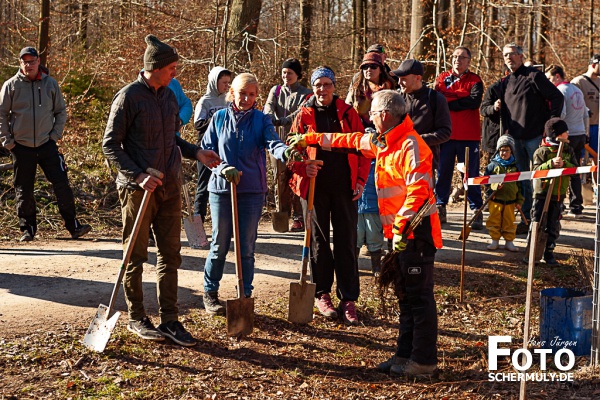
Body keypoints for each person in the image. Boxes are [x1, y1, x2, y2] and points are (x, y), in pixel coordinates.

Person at [288, 89, 442, 378]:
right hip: (400, 233)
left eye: (372, 113)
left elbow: (419, 192)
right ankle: (404, 355)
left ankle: (423, 360)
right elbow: (348, 140)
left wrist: (401, 228)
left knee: (419, 298)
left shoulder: (412, 146)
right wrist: (310, 138)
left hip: (415, 232)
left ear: (384, 115)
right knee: (405, 297)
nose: (368, 117)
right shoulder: (384, 141)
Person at [102, 34, 221, 347]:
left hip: (169, 187)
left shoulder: (169, 96)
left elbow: (173, 140)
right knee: (135, 256)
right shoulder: (128, 97)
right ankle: (136, 316)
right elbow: (110, 145)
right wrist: (139, 175)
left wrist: (197, 153)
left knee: (170, 255)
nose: (175, 73)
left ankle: (170, 320)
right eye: (172, 68)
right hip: (138, 191)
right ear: (154, 67)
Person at [200, 73, 300, 316]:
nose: (246, 98)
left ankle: (245, 293)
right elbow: (206, 150)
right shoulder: (219, 118)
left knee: (246, 246)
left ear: (257, 96)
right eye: (242, 93)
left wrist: (286, 152)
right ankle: (210, 292)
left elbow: (272, 142)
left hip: (251, 191)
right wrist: (222, 168)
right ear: (232, 94)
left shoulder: (261, 120)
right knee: (219, 244)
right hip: (222, 190)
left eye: (252, 94)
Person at [289, 66, 370, 326]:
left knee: (346, 242)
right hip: (314, 188)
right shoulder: (303, 114)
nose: (322, 90)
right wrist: (304, 166)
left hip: (345, 187)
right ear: (312, 87)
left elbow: (363, 149)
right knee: (319, 244)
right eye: (318, 85)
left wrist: (360, 181)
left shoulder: (348, 113)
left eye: (326, 84)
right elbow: (291, 151)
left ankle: (348, 298)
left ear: (334, 86)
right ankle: (322, 293)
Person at [0, 46, 92, 242]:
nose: (28, 65)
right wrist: (7, 141)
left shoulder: (50, 84)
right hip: (21, 146)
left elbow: (61, 111)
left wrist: (55, 136)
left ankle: (73, 227)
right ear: (20, 63)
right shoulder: (11, 86)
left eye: (32, 61)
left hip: (46, 144)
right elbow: (1, 114)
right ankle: (28, 230)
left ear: (38, 62)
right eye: (25, 61)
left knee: (62, 185)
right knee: (23, 189)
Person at [499, 43, 564, 234]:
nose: (508, 58)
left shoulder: (534, 75)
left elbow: (557, 97)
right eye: (505, 55)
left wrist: (550, 126)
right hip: (515, 139)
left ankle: (545, 219)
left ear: (521, 56)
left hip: (535, 136)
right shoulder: (506, 81)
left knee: (540, 179)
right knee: (522, 180)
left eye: (512, 54)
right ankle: (527, 219)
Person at [393, 59, 452, 221]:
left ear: (417, 78)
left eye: (404, 78)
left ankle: (421, 244)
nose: (399, 82)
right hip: (397, 164)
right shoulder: (396, 98)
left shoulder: (436, 99)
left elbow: (445, 132)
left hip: (424, 164)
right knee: (398, 209)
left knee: (421, 212)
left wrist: (415, 141)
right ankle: (398, 244)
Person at [434, 46, 484, 230]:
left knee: (470, 175)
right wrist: (458, 98)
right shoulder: (442, 78)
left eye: (462, 57)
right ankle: (440, 206)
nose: (457, 60)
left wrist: (450, 99)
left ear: (469, 61)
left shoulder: (475, 80)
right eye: (455, 56)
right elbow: (438, 99)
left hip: (468, 136)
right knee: (443, 173)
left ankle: (476, 209)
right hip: (445, 135)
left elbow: (474, 101)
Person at [263, 59, 311, 232]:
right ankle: (282, 214)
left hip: (297, 143)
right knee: (280, 179)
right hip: (276, 142)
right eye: (284, 72)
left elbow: (300, 113)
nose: (286, 76)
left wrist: (283, 120)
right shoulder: (275, 91)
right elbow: (268, 107)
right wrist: (268, 117)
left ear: (297, 75)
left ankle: (299, 217)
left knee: (297, 178)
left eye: (289, 73)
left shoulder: (306, 94)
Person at [148, 77, 193, 247]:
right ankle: (147, 231)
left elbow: (186, 104)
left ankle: (165, 235)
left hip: (173, 145)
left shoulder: (173, 84)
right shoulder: (138, 90)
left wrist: (179, 121)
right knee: (152, 191)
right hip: (149, 150)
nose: (174, 71)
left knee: (170, 189)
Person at [530, 118, 578, 265]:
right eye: (565, 132)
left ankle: (549, 252)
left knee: (553, 224)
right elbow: (536, 171)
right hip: (542, 194)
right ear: (557, 135)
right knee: (537, 222)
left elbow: (575, 170)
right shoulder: (542, 151)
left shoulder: (568, 151)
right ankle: (532, 251)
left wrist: (565, 165)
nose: (568, 133)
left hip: (558, 195)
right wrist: (550, 164)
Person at [545, 64, 588, 218]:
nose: (548, 82)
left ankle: (560, 203)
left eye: (549, 78)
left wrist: (552, 131)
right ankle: (577, 205)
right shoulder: (577, 89)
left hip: (566, 135)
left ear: (557, 76)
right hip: (580, 133)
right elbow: (585, 114)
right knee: (575, 169)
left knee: (562, 169)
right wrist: (586, 132)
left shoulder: (560, 91)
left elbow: (560, 115)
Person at [192, 67, 232, 221]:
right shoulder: (205, 101)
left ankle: (222, 221)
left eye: (228, 83)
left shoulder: (229, 100)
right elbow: (198, 124)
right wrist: (217, 117)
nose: (226, 86)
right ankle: (198, 221)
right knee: (203, 186)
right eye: (223, 83)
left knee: (224, 186)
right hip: (206, 149)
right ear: (215, 82)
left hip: (224, 149)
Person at [484, 135, 523, 252]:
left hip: (511, 201)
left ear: (511, 151)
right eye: (501, 150)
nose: (503, 153)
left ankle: (509, 241)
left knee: (509, 222)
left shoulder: (516, 167)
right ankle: (494, 240)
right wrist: (495, 186)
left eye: (506, 150)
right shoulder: (492, 166)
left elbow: (520, 186)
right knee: (494, 220)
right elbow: (486, 183)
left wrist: (519, 200)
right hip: (495, 200)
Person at [346, 52, 396, 126]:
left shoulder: (390, 88)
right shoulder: (356, 89)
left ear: (381, 70)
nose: (369, 69)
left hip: (386, 128)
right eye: (365, 67)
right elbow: (347, 110)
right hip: (360, 129)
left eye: (373, 66)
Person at [571, 54, 600, 154]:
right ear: (593, 65)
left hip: (597, 125)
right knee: (581, 155)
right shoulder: (578, 82)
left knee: (596, 155)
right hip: (582, 127)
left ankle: (595, 170)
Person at [480, 79, 503, 155]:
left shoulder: (521, 87)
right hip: (495, 135)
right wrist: (494, 107)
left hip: (515, 136)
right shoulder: (494, 89)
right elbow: (483, 110)